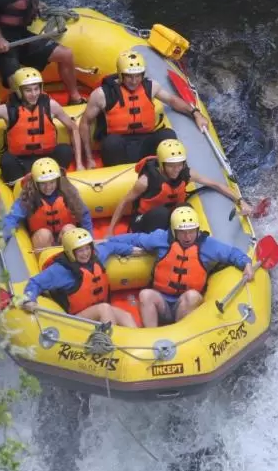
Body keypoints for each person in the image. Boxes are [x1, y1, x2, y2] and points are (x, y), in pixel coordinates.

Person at [115, 206, 257, 327]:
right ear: (174, 231)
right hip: (162, 303)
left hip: (186, 303)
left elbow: (232, 253)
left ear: (197, 229)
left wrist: (246, 264)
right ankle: (151, 337)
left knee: (192, 296)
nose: (187, 237)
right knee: (145, 294)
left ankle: (181, 336)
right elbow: (136, 239)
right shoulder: (161, 238)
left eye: (191, 231)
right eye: (182, 232)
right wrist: (109, 242)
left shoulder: (207, 244)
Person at [78, 51, 208, 168]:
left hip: (145, 141)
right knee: (111, 142)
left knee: (168, 134)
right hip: (118, 146)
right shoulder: (102, 94)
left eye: (138, 76)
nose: (134, 81)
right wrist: (89, 158)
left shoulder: (151, 86)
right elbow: (85, 122)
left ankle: (163, 169)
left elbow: (172, 100)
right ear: (121, 74)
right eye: (129, 76)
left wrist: (195, 113)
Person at [108, 138, 261, 234]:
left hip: (172, 217)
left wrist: (241, 202)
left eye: (179, 165)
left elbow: (216, 185)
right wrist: (110, 231)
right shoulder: (145, 181)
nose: (176, 170)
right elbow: (124, 202)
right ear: (162, 164)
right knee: (161, 213)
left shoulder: (186, 173)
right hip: (143, 221)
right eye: (171, 166)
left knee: (186, 208)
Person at [20, 227, 138, 327]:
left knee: (127, 316)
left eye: (87, 248)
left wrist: (131, 250)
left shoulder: (96, 255)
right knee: (105, 308)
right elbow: (35, 282)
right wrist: (29, 299)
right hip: (76, 318)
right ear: (71, 252)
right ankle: (113, 344)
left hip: (96, 309)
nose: (85, 253)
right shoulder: (61, 270)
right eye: (80, 251)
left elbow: (110, 246)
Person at [0, 67, 83, 182]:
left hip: (48, 162)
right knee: (6, 160)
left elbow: (73, 127)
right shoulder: (6, 110)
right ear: (19, 91)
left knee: (65, 149)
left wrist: (79, 163)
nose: (34, 94)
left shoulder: (51, 105)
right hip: (20, 161)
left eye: (36, 89)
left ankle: (54, 179)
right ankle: (20, 185)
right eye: (28, 90)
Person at [1, 157, 94, 251]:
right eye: (43, 184)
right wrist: (3, 236)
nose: (48, 187)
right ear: (35, 183)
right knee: (44, 234)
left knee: (69, 229)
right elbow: (13, 217)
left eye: (52, 182)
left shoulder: (67, 191)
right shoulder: (29, 195)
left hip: (64, 236)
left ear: (57, 180)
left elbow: (84, 213)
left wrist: (90, 240)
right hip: (42, 240)